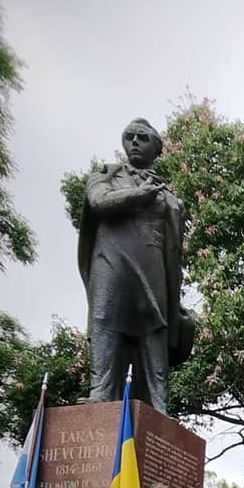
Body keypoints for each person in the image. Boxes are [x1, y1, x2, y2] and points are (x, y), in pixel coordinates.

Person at [77, 118, 192, 414]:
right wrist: (139, 196)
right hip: (111, 262)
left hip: (153, 270)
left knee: (155, 333)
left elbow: (174, 252)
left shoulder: (169, 198)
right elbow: (98, 202)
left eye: (143, 137)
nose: (135, 142)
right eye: (130, 137)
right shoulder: (106, 177)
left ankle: (158, 405)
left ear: (157, 147)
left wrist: (176, 300)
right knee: (104, 322)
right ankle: (100, 393)